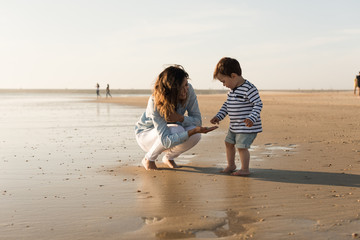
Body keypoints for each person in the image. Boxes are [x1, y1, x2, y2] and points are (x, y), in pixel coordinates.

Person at [135, 65, 218, 170]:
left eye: (186, 84)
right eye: (182, 87)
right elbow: (165, 140)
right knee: (176, 129)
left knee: (196, 135)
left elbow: (197, 121)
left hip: (171, 131)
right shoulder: (155, 101)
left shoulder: (189, 90)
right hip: (146, 134)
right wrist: (191, 131)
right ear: (172, 89)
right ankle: (149, 159)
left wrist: (180, 118)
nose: (186, 89)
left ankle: (169, 157)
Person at [210, 57, 263, 176]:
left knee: (241, 147)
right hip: (234, 126)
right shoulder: (232, 90)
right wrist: (219, 116)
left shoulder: (249, 88)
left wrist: (251, 118)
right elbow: (227, 105)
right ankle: (231, 165)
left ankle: (245, 169)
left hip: (246, 126)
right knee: (228, 143)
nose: (224, 85)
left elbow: (258, 104)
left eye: (223, 81)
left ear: (233, 76)